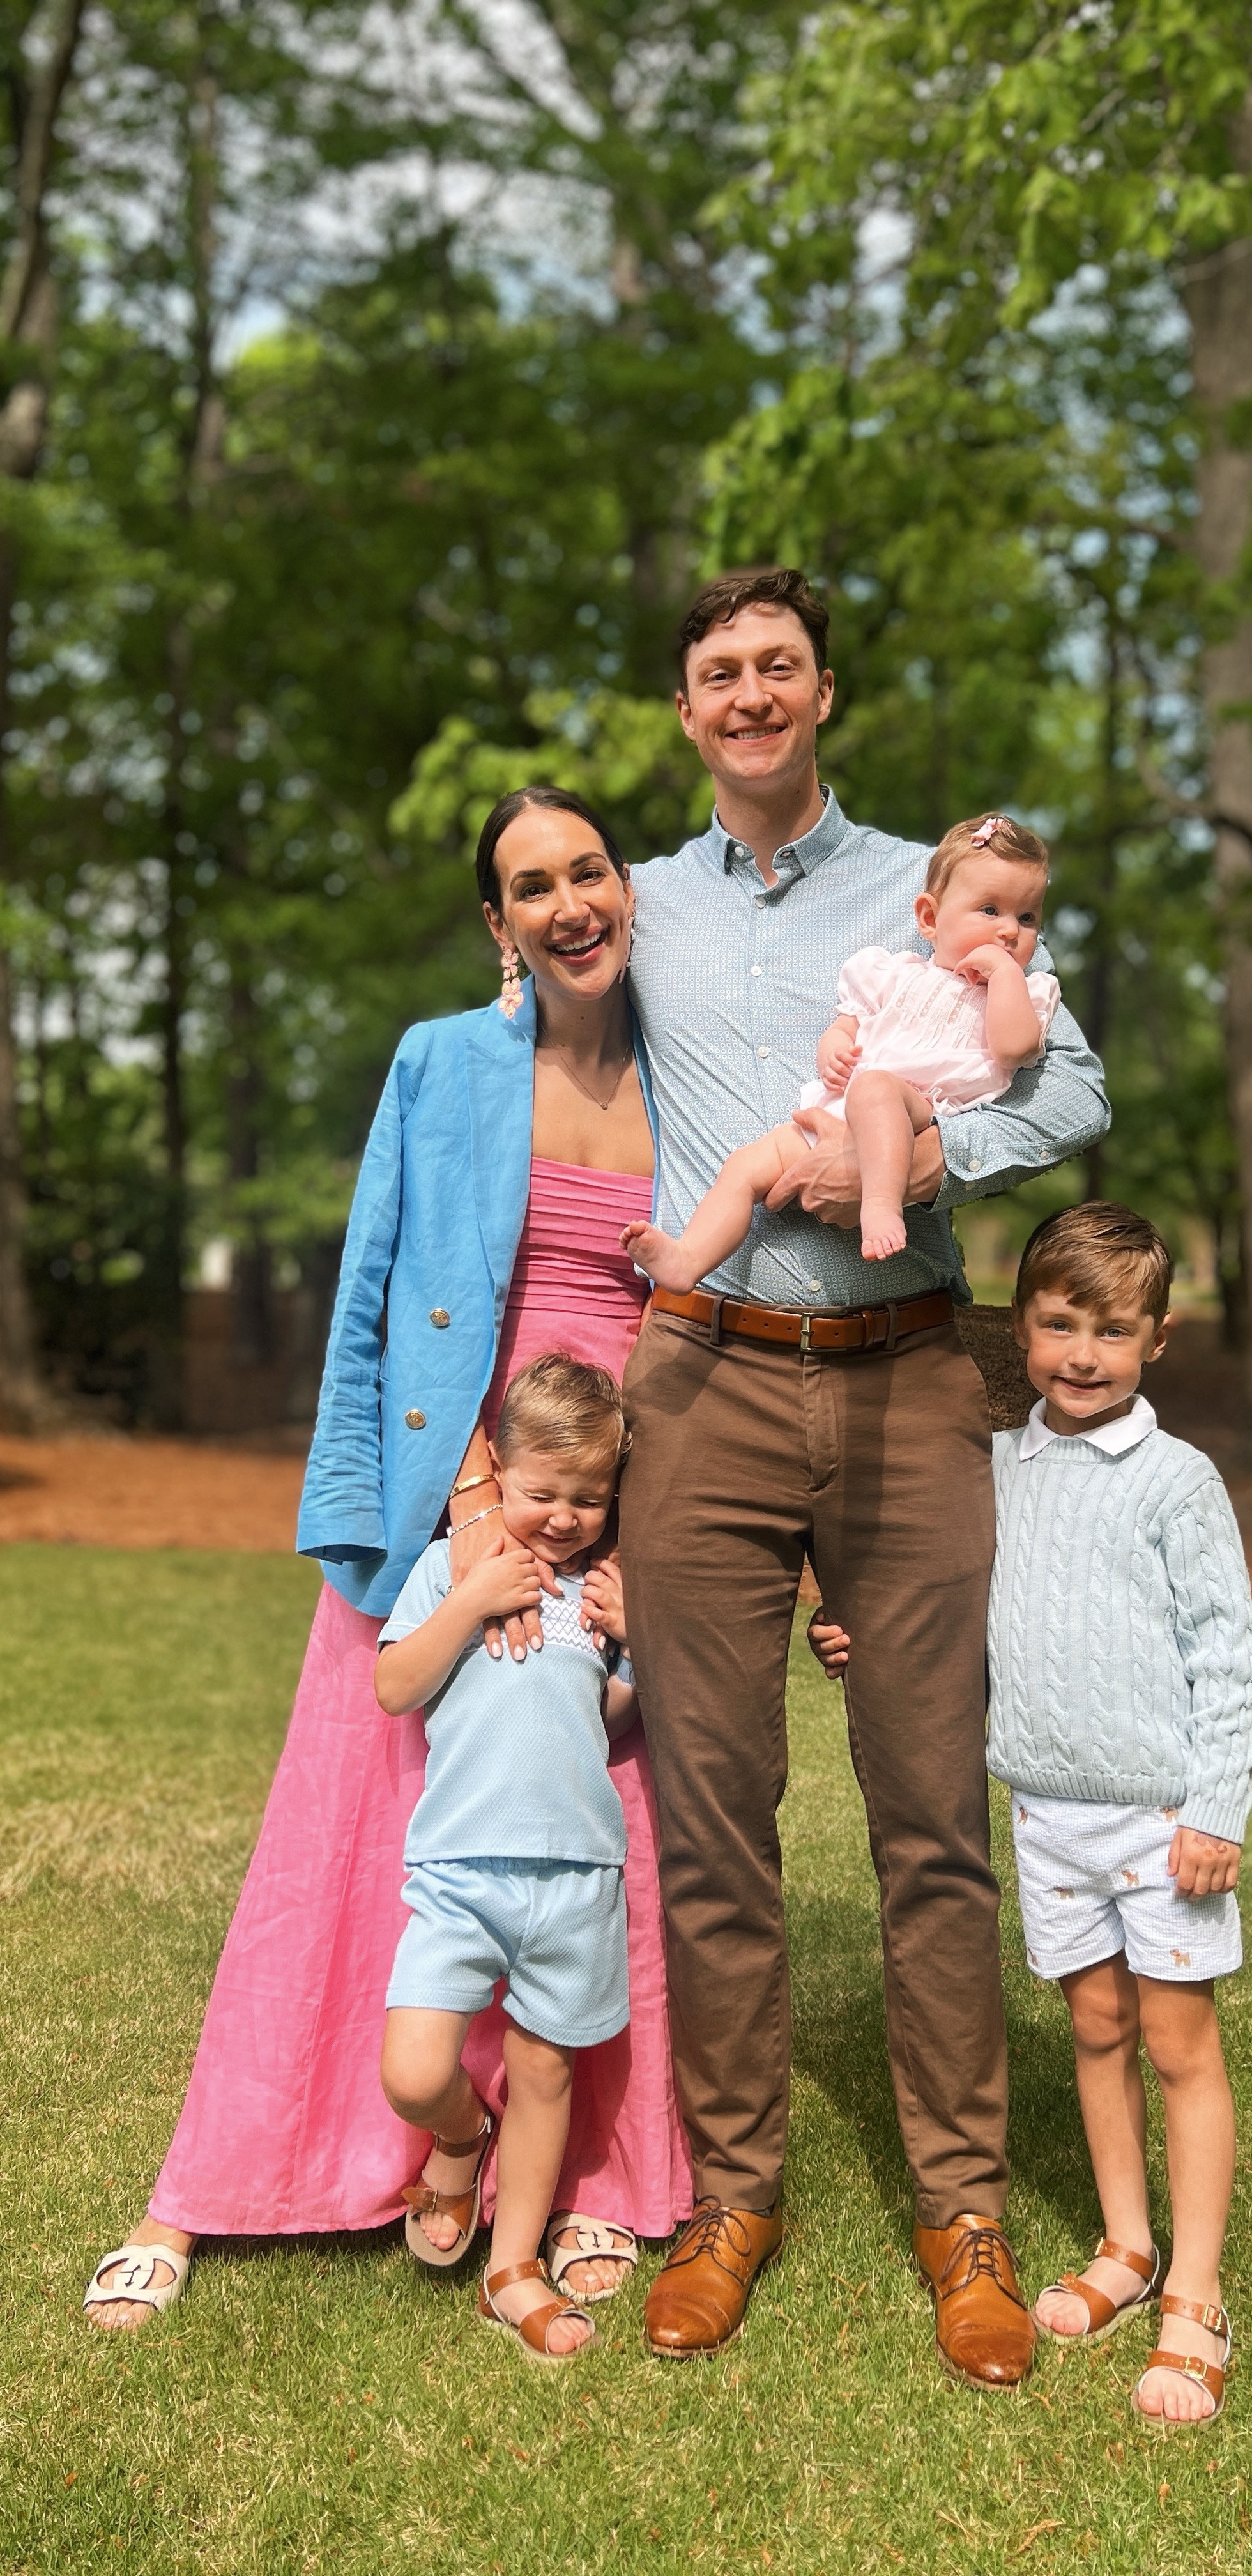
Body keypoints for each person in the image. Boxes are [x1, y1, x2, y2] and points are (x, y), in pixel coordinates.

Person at [83, 786, 692, 2333]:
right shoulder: (441, 1064)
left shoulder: (694, 1072)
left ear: (629, 888)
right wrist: (450, 1507)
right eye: (530, 885)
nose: (568, 902)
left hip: (621, 1508)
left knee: (602, 1826)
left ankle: (603, 2179)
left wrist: (663, 1549)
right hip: (458, 1500)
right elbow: (372, 1295)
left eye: (589, 870)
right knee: (349, 1837)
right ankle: (240, 2179)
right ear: (500, 926)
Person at [618, 564, 1110, 2378]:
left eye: (779, 667)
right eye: (718, 673)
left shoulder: (937, 886)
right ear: (686, 712)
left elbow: (1069, 1095)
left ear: (822, 692)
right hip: (705, 1390)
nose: (750, 694)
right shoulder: (641, 902)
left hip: (907, 1377)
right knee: (709, 1807)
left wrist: (902, 1154)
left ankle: (959, 2205)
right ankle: (731, 2189)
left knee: (928, 1817)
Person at [993, 1202, 1252, 2425]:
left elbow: (1226, 1654)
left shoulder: (1177, 1480)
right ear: (1021, 1326)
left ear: (1155, 1340)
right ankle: (1122, 2243)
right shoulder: (999, 1464)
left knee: (1174, 2044)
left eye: (1112, 1328)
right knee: (1093, 2028)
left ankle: (1193, 2295)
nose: (1082, 1353)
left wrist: (1213, 1804)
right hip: (1047, 1813)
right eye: (1058, 1323)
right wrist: (850, 1634)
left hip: (1160, 1820)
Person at [376, 1354, 637, 2365]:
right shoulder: (453, 1565)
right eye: (541, 1494)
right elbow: (396, 1686)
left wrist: (636, 1646)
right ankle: (454, 2138)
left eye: (589, 1498)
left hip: (576, 1874)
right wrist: (469, 1597)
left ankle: (514, 2268)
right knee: (413, 2071)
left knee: (545, 2074)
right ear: (499, 1475)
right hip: (458, 1873)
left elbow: (607, 1724)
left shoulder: (597, 1592)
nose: (564, 1517)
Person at [621, 812, 1057, 1280]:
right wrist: (834, 1048)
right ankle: (688, 1260)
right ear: (930, 918)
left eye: (1027, 917)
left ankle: (882, 1204)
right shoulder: (894, 971)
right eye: (990, 911)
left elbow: (1014, 1048)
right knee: (744, 1166)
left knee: (876, 1089)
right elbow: (847, 1025)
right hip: (835, 1111)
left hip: (918, 1107)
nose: (1010, 931)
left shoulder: (1025, 992)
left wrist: (1005, 973)